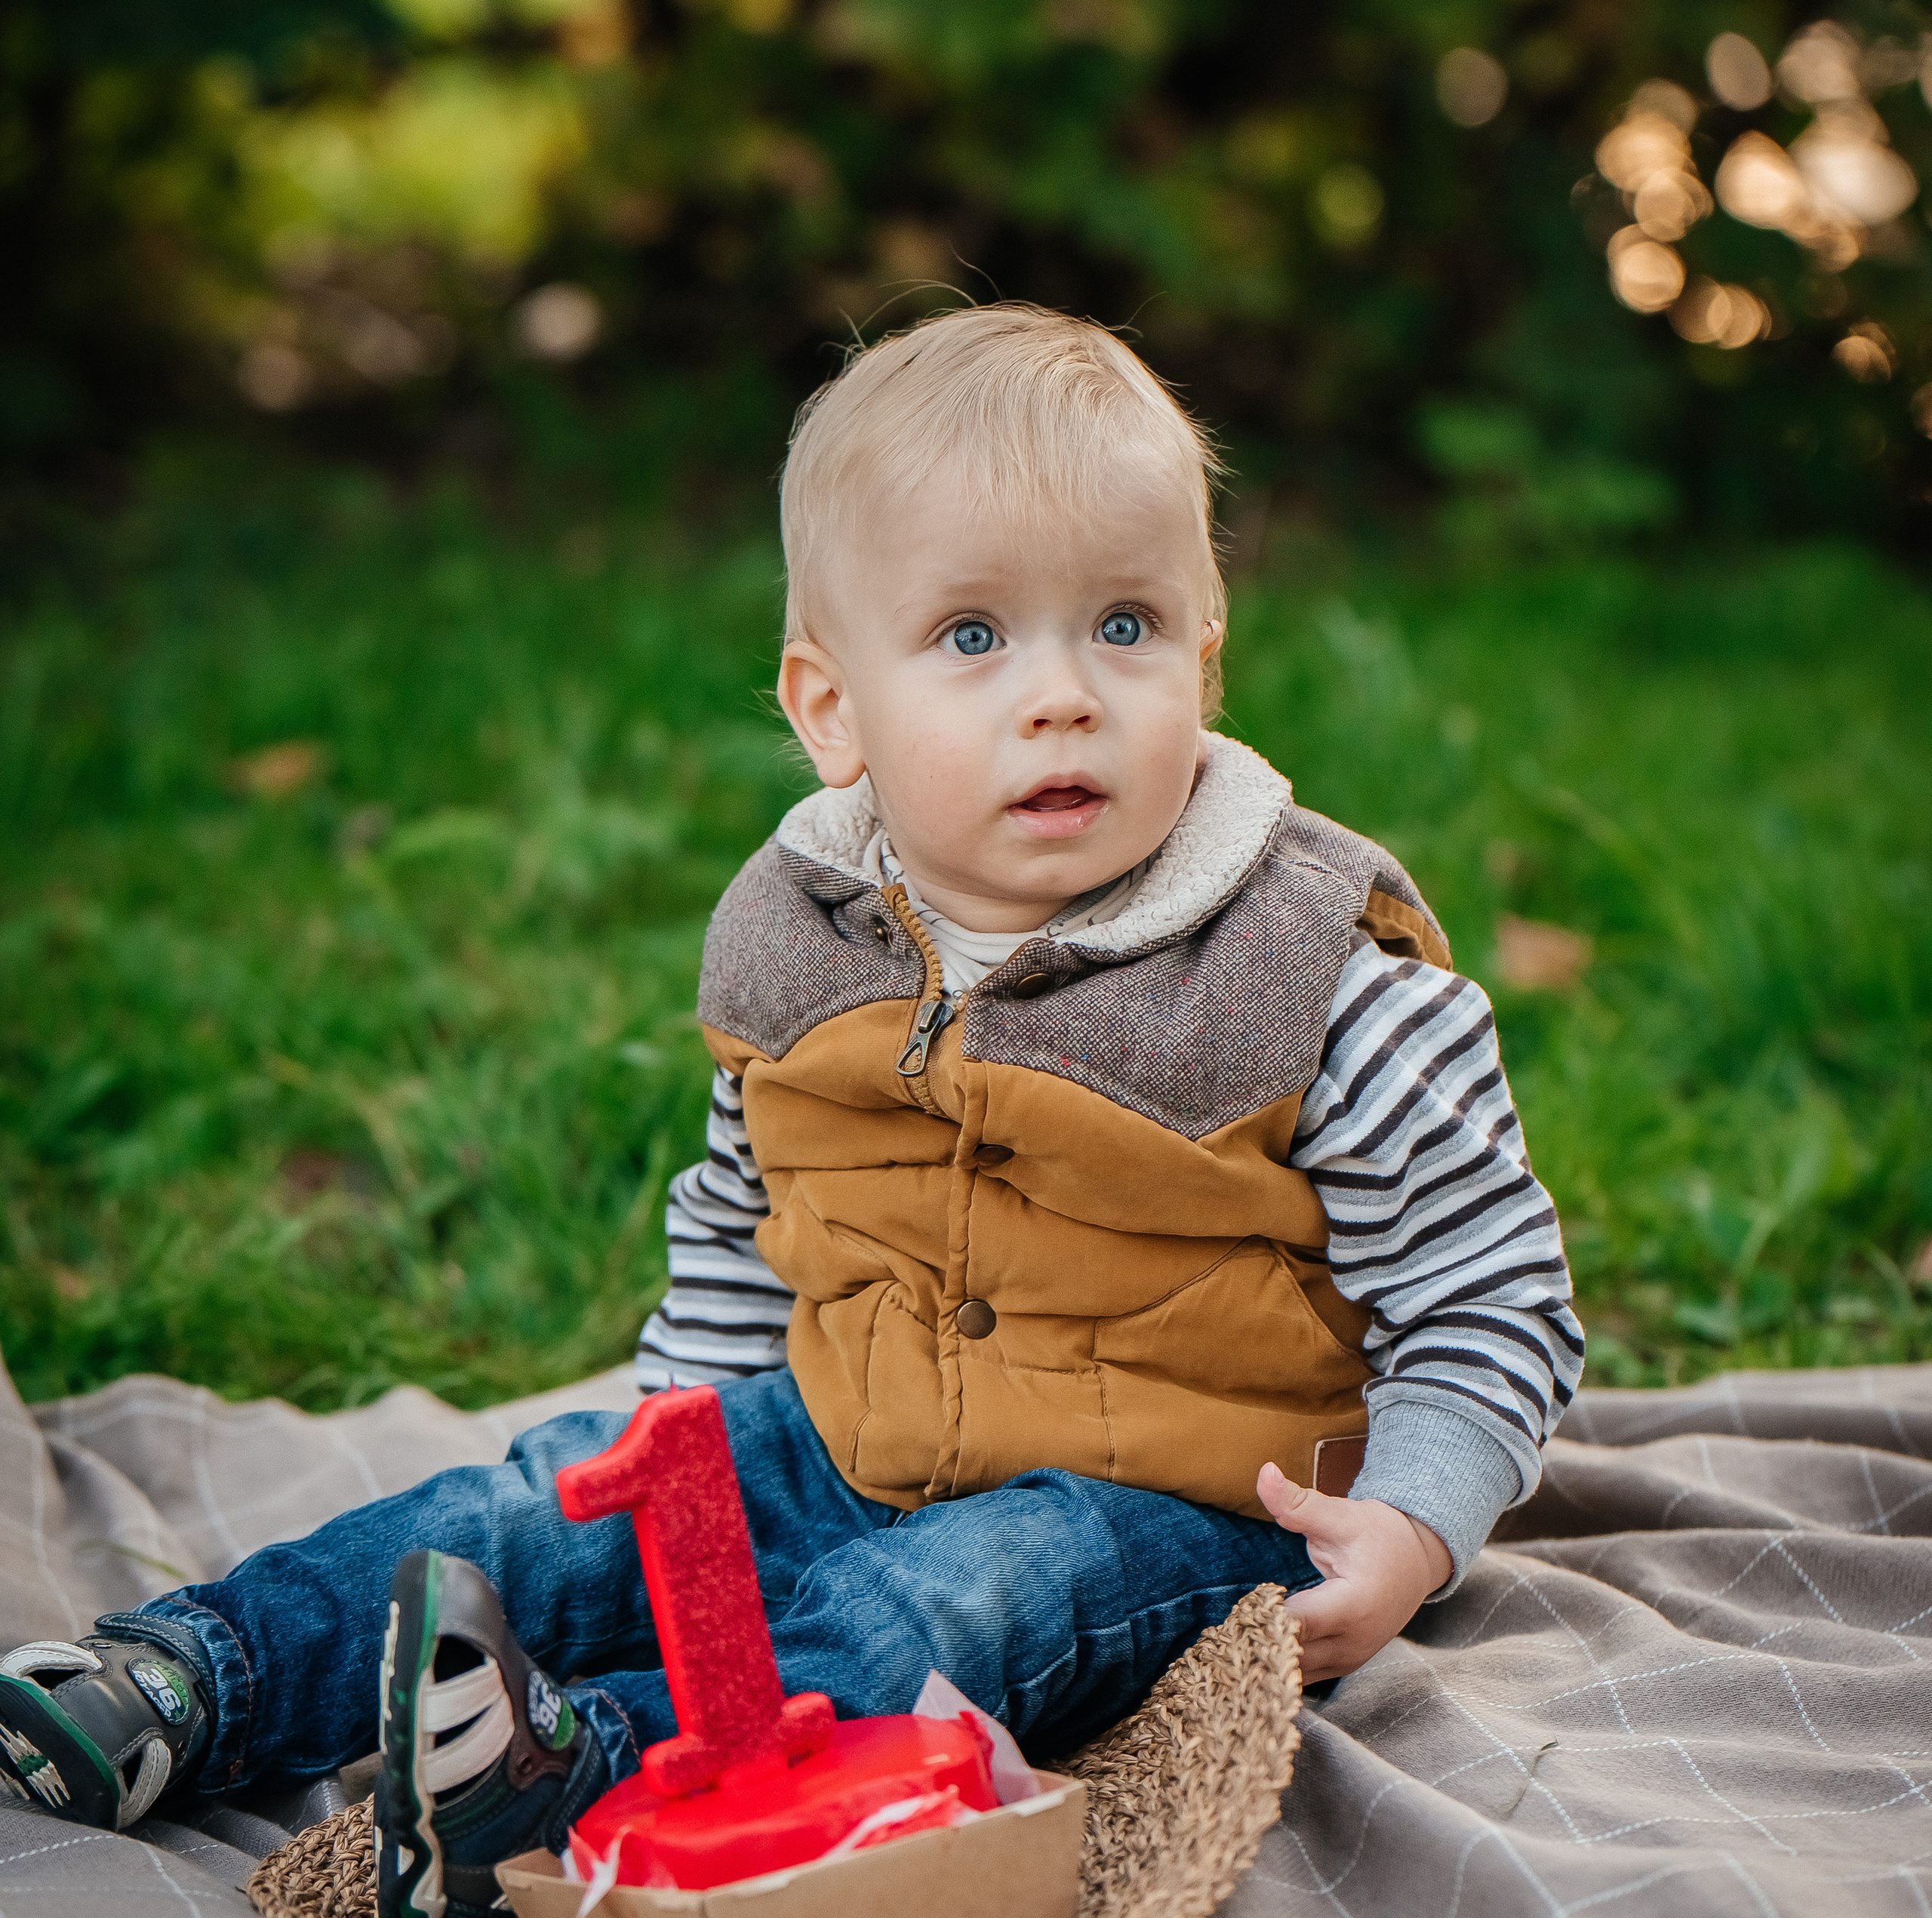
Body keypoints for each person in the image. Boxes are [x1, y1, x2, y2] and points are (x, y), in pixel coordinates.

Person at [0, 306, 1581, 1918]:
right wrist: (675, 1437)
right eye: (973, 637)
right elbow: (750, 1203)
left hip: (1168, 1508)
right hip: (846, 1425)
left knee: (935, 1608)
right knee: (532, 1505)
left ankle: (579, 1776)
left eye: (1124, 625)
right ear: (831, 707)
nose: (1061, 696)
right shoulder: (793, 936)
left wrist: (1405, 1524)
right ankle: (194, 1680)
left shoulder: (1313, 975)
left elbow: (1490, 1295)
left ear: (1204, 654)